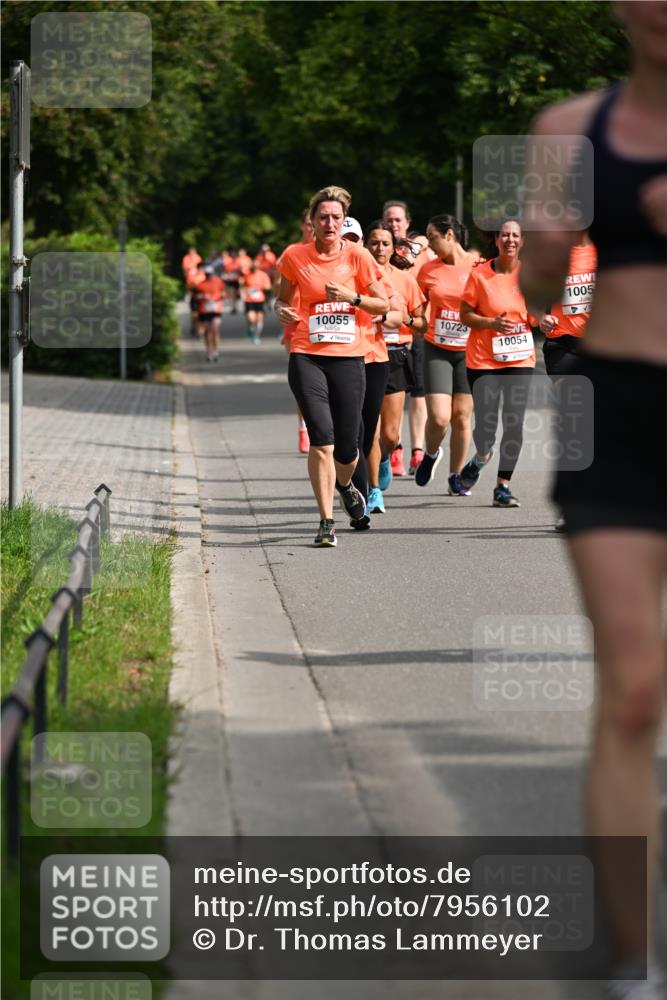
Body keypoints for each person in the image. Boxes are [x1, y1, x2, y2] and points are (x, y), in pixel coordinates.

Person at [520, 4, 667, 995]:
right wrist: (545, 247)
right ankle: (635, 959)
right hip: (614, 419)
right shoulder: (567, 130)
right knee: (633, 693)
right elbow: (537, 292)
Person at [275, 186, 389, 546]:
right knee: (322, 440)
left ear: (343, 221)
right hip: (306, 355)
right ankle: (326, 521)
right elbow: (281, 300)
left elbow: (383, 304)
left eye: (335, 217)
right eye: (322, 217)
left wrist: (353, 297)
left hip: (349, 359)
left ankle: (345, 484)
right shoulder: (294, 256)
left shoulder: (358, 256)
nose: (329, 223)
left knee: (347, 448)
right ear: (311, 221)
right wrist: (281, 310)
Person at [459, 219, 535, 508]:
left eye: (516, 235)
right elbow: (465, 315)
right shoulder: (480, 274)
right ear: (496, 239)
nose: (510, 240)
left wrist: (544, 319)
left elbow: (536, 314)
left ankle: (503, 486)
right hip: (484, 361)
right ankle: (481, 457)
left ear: (522, 241)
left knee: (514, 422)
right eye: (505, 235)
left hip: (520, 357)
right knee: (486, 429)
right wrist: (492, 323)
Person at [415, 214, 478, 494]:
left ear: (449, 235)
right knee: (440, 417)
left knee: (462, 415)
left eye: (433, 237)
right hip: (437, 348)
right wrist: (414, 321)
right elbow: (417, 309)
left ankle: (456, 477)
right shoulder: (428, 270)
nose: (430, 244)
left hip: (470, 350)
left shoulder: (478, 266)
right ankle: (431, 453)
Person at [382, 201, 428, 476]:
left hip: (416, 327)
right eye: (389, 220)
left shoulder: (422, 249)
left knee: (418, 392)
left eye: (398, 219)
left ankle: (418, 450)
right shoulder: (379, 248)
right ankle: (394, 448)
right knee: (392, 397)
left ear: (408, 222)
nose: (394, 224)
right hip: (388, 334)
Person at [275, 209, 316, 454]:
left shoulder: (332, 253)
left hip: (325, 322)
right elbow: (277, 288)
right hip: (297, 322)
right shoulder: (292, 252)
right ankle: (304, 427)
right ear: (302, 226)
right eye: (308, 224)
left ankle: (322, 425)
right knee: (303, 381)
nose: (312, 228)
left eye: (314, 223)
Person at [197, 265, 225, 362]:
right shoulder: (200, 284)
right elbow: (196, 296)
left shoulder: (218, 282)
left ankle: (216, 351)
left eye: (210, 274)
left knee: (215, 330)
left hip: (216, 309)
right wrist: (203, 297)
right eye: (207, 274)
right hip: (204, 310)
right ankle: (209, 351)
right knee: (207, 332)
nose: (208, 276)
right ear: (205, 274)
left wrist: (218, 297)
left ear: (212, 273)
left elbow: (223, 293)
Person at [240, 262, 272, 344]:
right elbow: (242, 285)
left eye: (255, 268)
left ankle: (256, 336)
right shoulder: (247, 275)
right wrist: (243, 292)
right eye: (252, 268)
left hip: (259, 300)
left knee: (259, 319)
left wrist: (261, 287)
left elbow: (268, 286)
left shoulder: (263, 275)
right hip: (249, 299)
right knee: (251, 318)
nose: (253, 269)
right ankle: (251, 328)